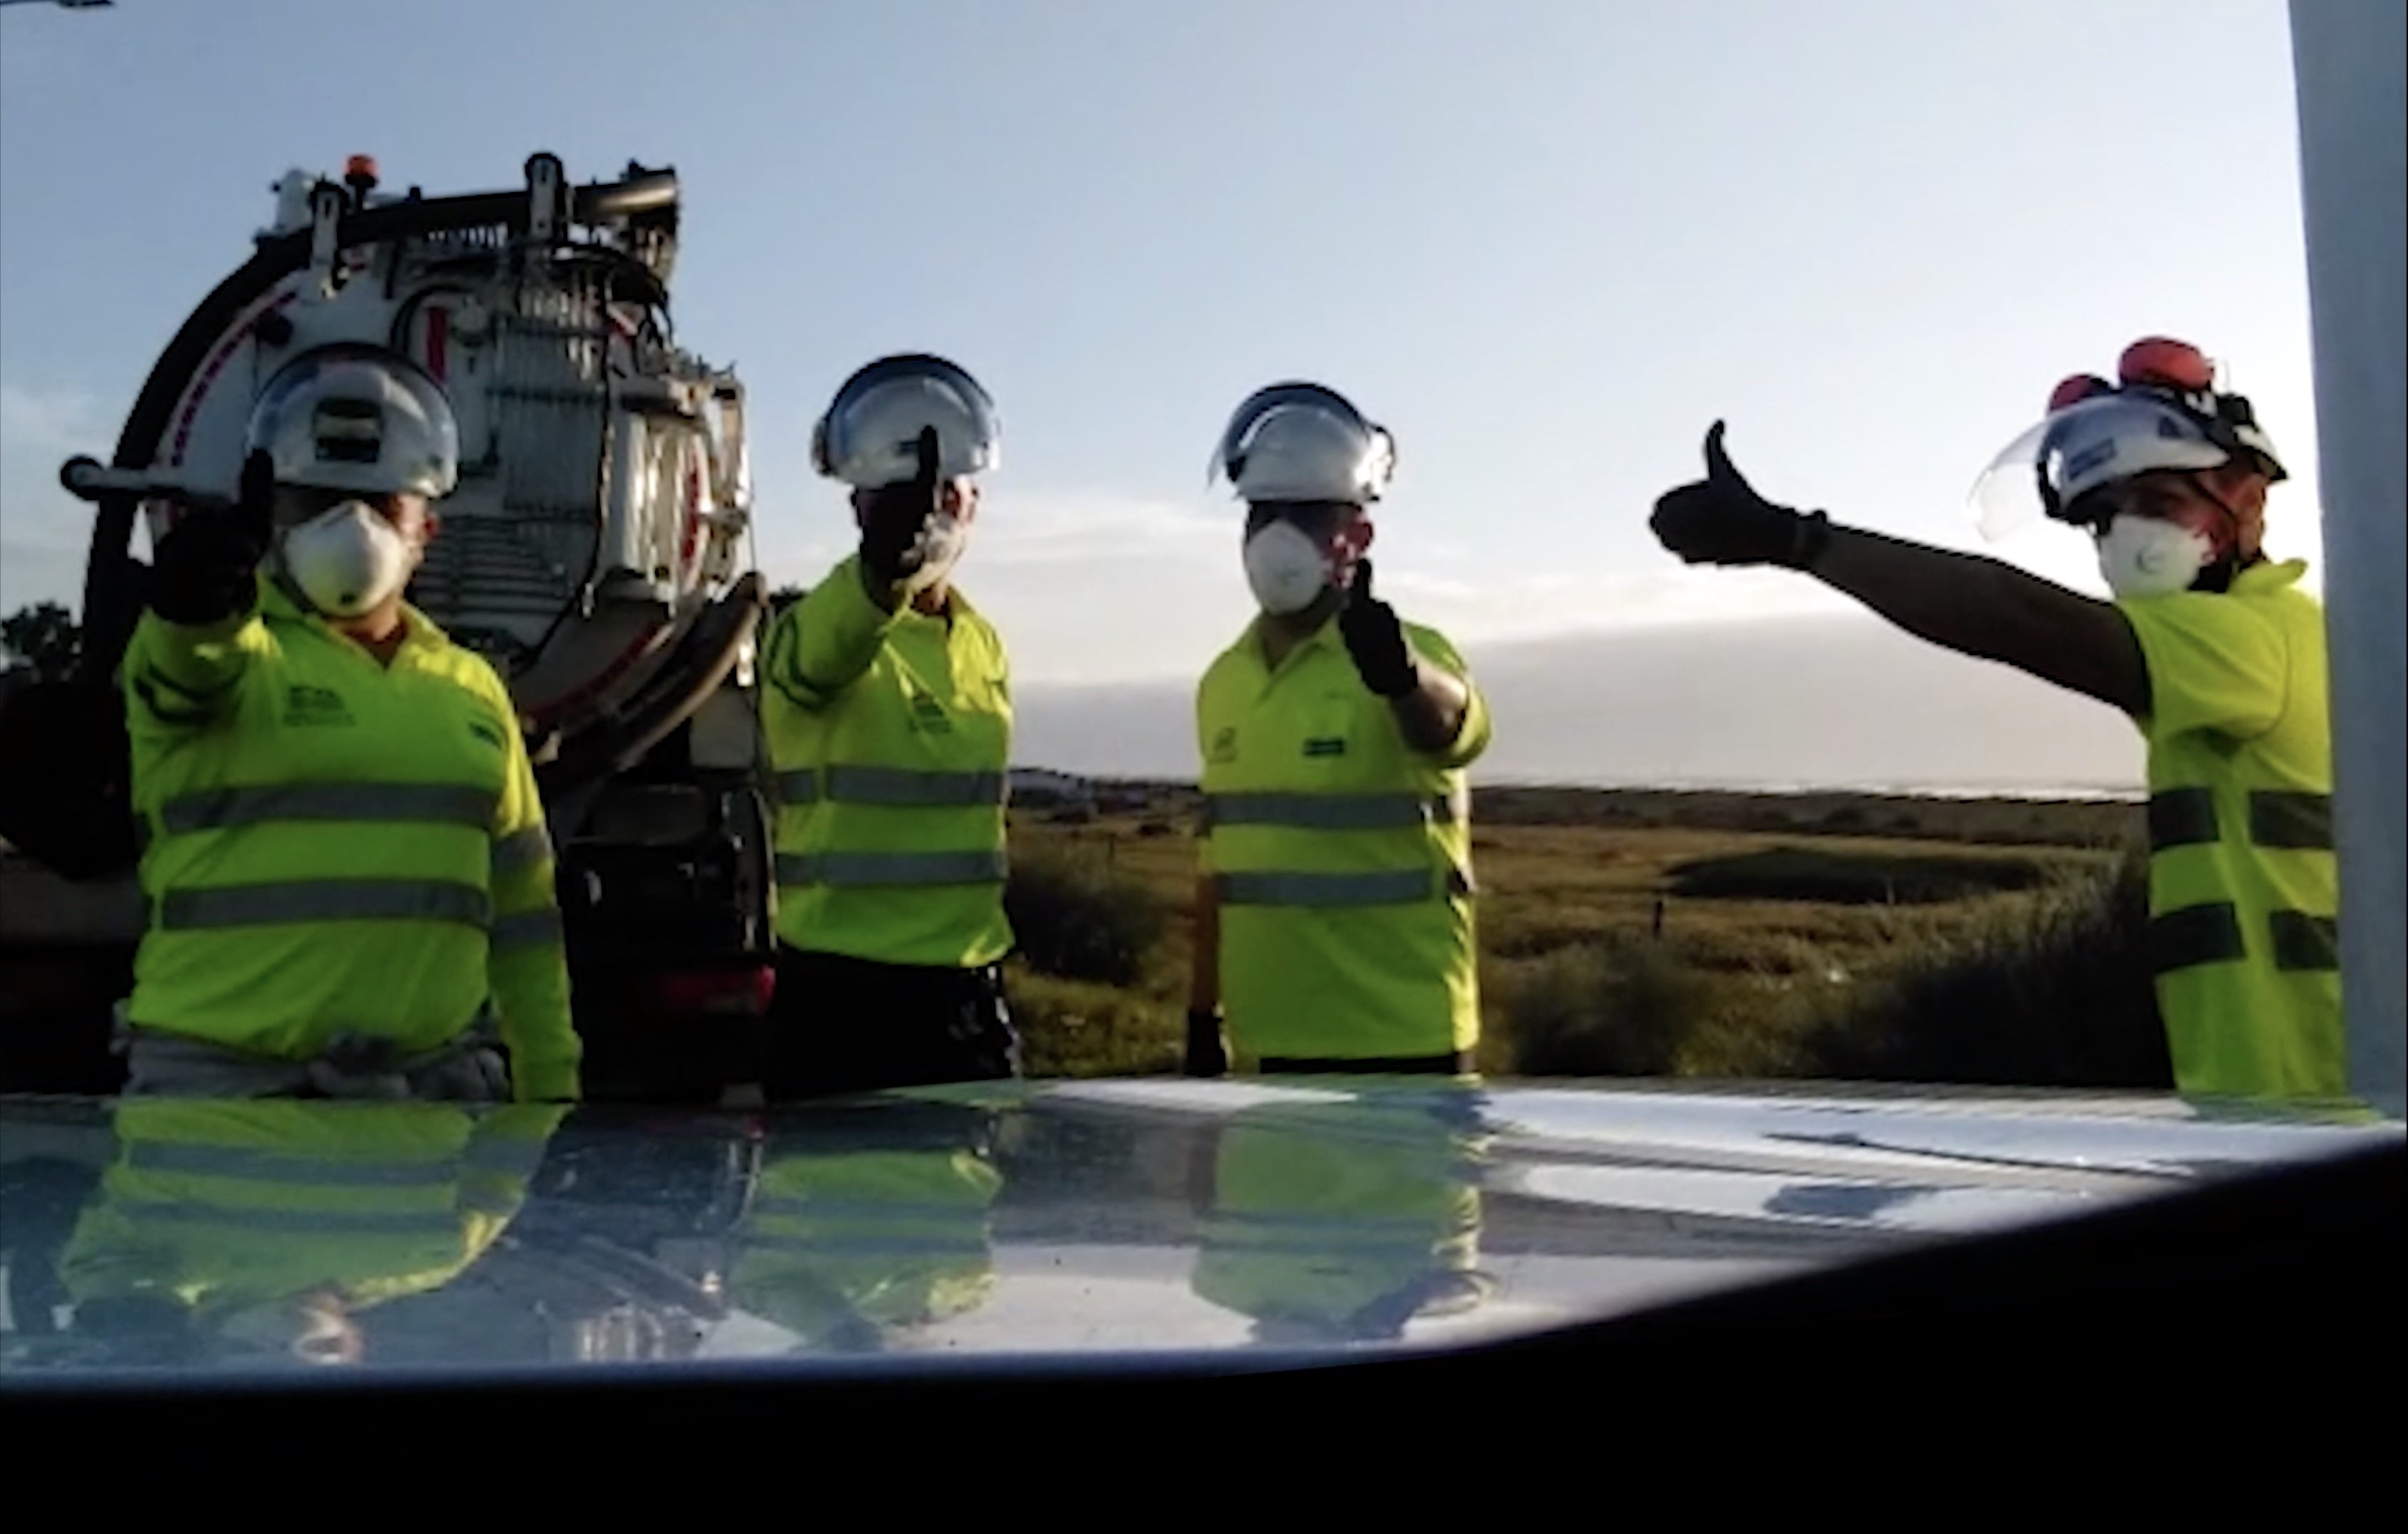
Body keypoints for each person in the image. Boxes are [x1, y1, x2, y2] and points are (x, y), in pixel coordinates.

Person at [1650, 335, 2338, 1100]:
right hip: (2260, 1104)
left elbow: (2015, 618)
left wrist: (1800, 542)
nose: (2123, 537)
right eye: (2102, 520)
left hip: (2317, 1104)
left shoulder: (2260, 642)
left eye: (2157, 503)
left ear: (2246, 499)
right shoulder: (2231, 659)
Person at [116, 341, 577, 1102]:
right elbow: (185, 668)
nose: (350, 525)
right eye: (315, 499)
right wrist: (191, 605)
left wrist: (552, 1088)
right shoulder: (228, 652)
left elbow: (524, 911)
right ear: (270, 514)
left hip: (423, 1122)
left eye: (381, 503)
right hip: (222, 1111)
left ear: (426, 529)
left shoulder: (472, 691)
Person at [1185, 382, 1493, 1077]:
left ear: (1356, 535)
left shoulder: (1417, 653)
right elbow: (1217, 872)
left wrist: (1402, 678)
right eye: (1263, 513)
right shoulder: (1223, 683)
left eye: (1306, 514)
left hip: (1408, 1046)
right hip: (1270, 1048)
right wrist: (1203, 1017)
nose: (1277, 535)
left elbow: (1450, 728)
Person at [758, 354, 1018, 1098]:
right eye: (898, 497)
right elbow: (822, 657)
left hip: (963, 998)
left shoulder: (984, 644)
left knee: (961, 1207)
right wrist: (879, 575)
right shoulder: (805, 629)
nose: (927, 510)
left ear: (973, 502)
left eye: (944, 491)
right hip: (839, 1003)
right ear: (856, 509)